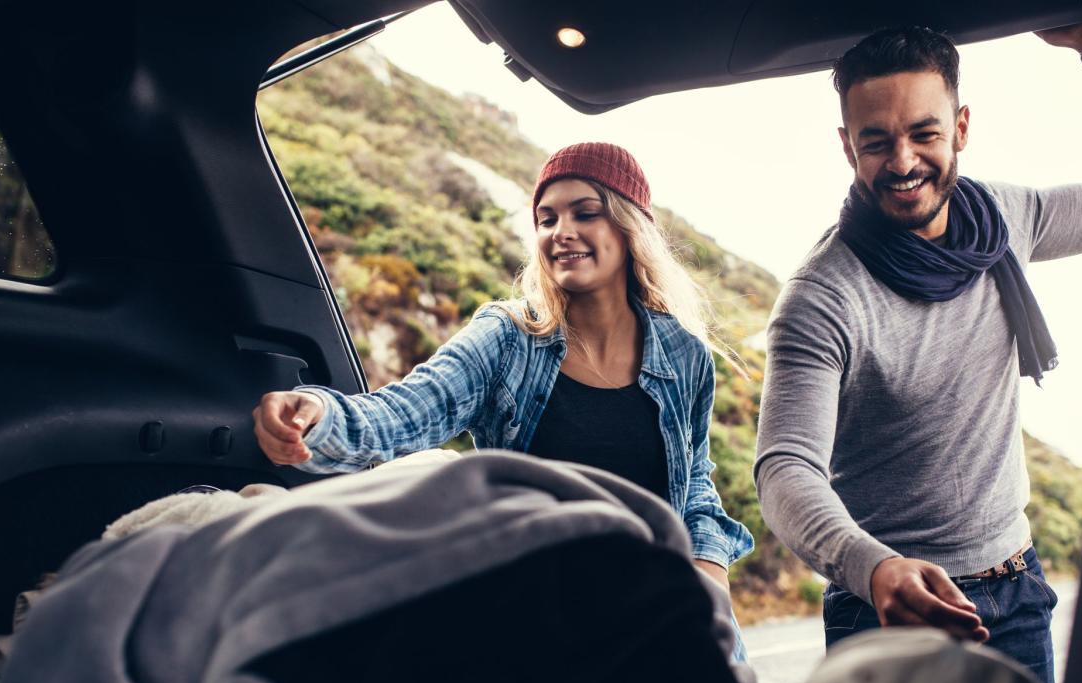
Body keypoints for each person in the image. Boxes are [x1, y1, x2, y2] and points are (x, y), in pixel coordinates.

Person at [754, 24, 1082, 683]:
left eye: (924, 133)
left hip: (1016, 595)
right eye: (875, 141)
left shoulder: (1005, 217)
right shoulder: (821, 296)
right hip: (884, 613)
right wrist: (873, 569)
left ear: (961, 127)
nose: (902, 161)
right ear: (847, 145)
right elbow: (785, 467)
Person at [253, 141, 754, 653]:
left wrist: (708, 574)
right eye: (546, 218)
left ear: (629, 229)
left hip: (659, 611)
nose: (561, 232)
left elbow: (694, 485)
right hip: (539, 610)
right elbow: (405, 412)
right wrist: (318, 414)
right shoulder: (509, 337)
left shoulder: (683, 354)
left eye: (585, 213)